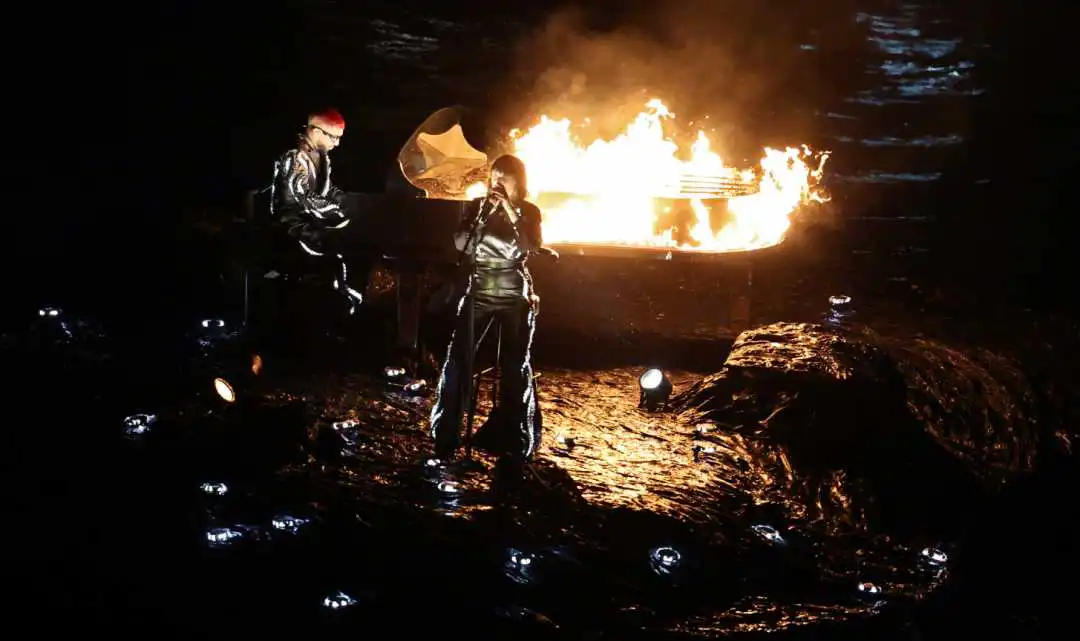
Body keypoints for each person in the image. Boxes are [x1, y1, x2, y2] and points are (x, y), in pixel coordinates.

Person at [429, 154, 546, 463]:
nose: (498, 181)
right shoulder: (477, 207)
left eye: (505, 175)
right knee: (457, 359)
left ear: (518, 181)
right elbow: (460, 243)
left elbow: (531, 245)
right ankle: (446, 435)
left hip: (513, 290)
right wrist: (483, 217)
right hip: (480, 287)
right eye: (495, 175)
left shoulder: (528, 211)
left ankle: (517, 440)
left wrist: (509, 211)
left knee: (514, 366)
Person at [270, 108, 365, 315]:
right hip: (291, 222)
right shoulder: (295, 157)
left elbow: (326, 190)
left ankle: (341, 293)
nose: (336, 143)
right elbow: (303, 196)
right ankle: (335, 297)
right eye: (333, 137)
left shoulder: (322, 157)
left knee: (348, 241)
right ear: (315, 131)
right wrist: (337, 211)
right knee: (333, 245)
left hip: (311, 218)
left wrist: (349, 202)